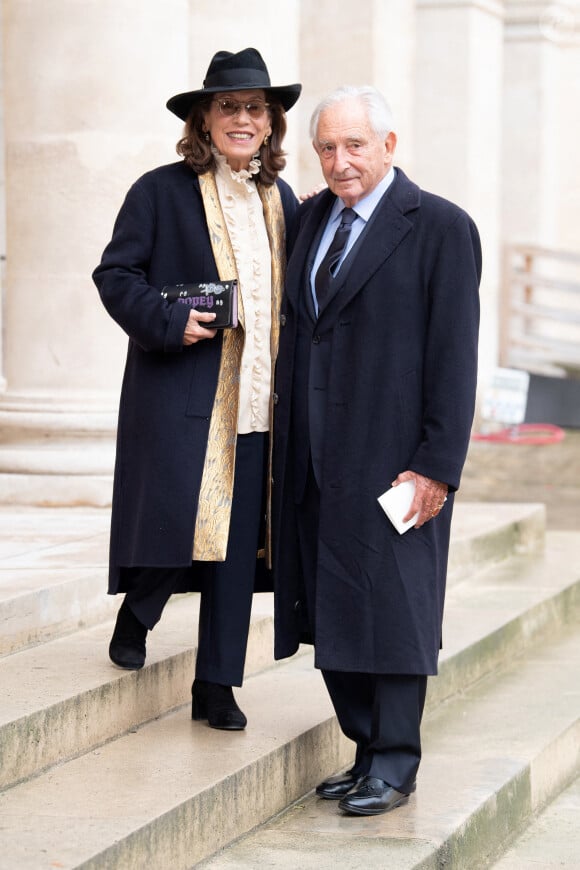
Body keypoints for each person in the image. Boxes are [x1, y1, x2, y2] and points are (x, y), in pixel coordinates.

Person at [271, 86, 481, 814]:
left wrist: (436, 467)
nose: (339, 160)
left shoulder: (442, 228)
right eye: (326, 147)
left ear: (388, 146)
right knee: (332, 609)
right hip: (315, 459)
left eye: (354, 145)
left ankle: (396, 762)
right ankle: (364, 752)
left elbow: (455, 360)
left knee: (393, 611)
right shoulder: (309, 221)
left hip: (395, 461)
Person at [93, 48, 301, 731]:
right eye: (228, 108)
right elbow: (116, 276)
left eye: (254, 109)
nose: (242, 119)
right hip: (185, 394)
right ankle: (140, 610)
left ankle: (217, 684)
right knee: (177, 526)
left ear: (270, 124)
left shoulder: (285, 200)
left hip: (261, 401)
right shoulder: (158, 191)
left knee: (238, 547)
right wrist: (167, 320)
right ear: (203, 120)